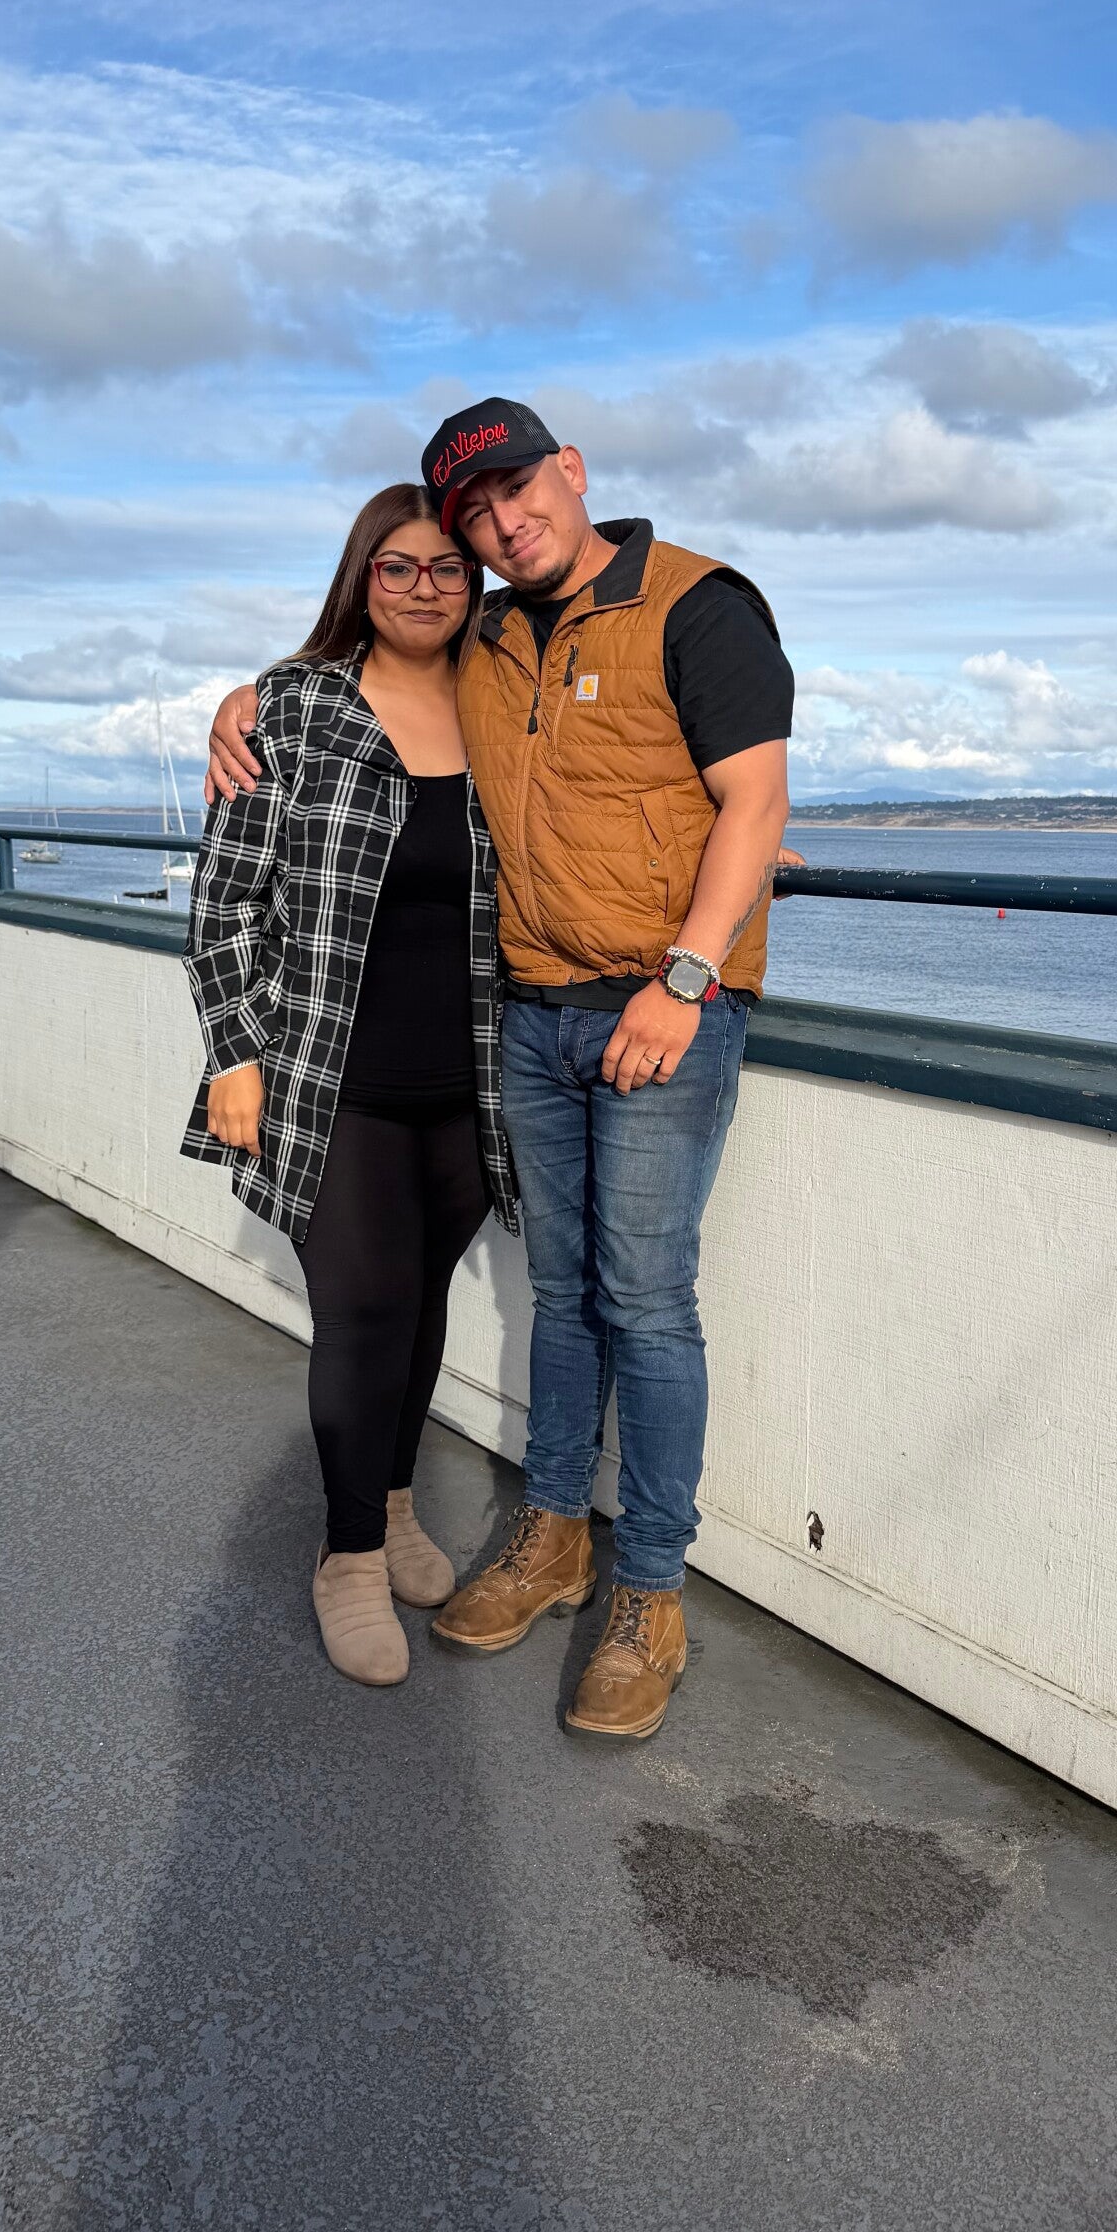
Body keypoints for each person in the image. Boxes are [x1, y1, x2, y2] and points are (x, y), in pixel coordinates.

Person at [207, 399, 793, 1741]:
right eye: (456, 526)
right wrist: (243, 700)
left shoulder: (670, 612)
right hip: (455, 1042)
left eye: (507, 500)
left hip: (594, 1031)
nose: (483, 538)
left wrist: (699, 952)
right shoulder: (430, 664)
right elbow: (241, 878)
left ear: (570, 473)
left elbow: (734, 793)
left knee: (634, 1302)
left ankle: (643, 1590)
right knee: (506, 1303)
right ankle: (462, 1545)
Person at [181, 484, 520, 1688]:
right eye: (399, 566)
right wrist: (234, 1053)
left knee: (421, 1306)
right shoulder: (290, 708)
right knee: (364, 1307)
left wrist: (746, 832)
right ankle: (348, 1555)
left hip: (471, 1080)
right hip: (333, 1076)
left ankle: (393, 1503)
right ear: (360, 577)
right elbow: (222, 901)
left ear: (475, 581)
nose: (426, 587)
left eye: (447, 567)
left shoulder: (504, 706)